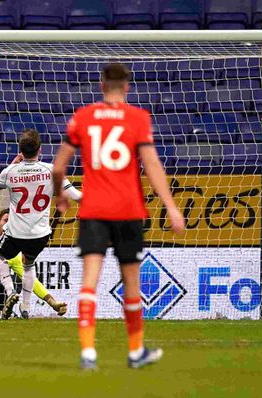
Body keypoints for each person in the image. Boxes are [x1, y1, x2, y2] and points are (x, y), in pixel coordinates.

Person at [52, 63, 185, 370]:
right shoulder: (138, 118)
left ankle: (88, 355)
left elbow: (58, 167)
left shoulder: (83, 117)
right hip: (128, 210)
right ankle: (135, 352)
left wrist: (60, 195)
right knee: (132, 283)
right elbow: (152, 165)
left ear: (101, 86)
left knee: (89, 282)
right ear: (126, 87)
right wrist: (171, 206)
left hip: (94, 209)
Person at [0, 129, 82, 319]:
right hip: (40, 234)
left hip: (16, 233)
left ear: (20, 150)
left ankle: (10, 293)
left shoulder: (10, 171)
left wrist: (12, 165)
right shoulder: (51, 170)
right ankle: (25, 308)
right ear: (40, 150)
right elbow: (76, 196)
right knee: (28, 265)